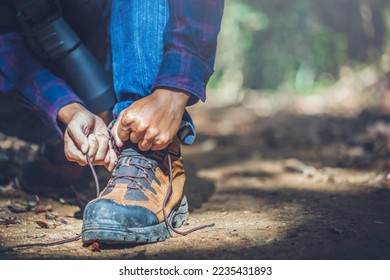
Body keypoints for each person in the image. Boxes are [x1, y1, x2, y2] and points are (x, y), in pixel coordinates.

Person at [0, 0, 224, 244]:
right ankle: (70, 141)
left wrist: (171, 93)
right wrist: (68, 110)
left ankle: (147, 148)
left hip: (123, 46)